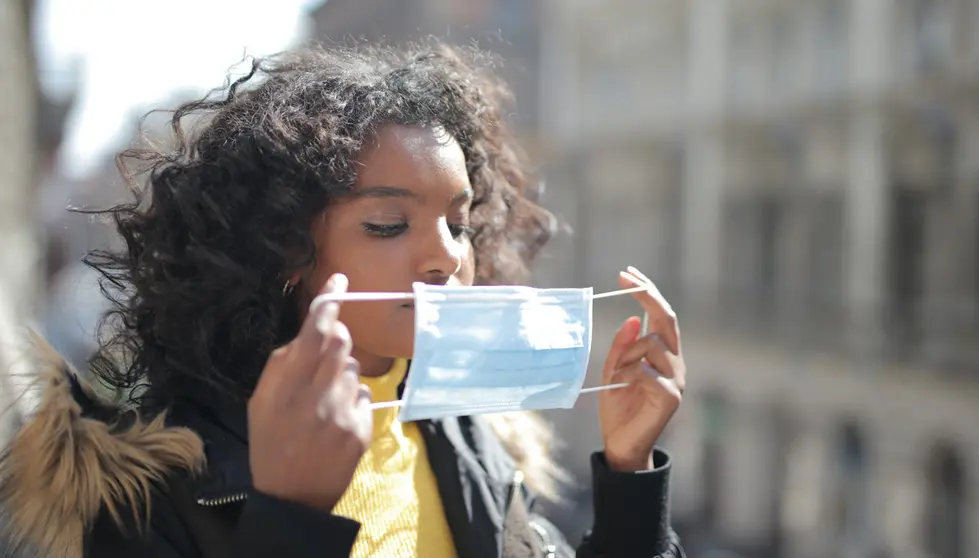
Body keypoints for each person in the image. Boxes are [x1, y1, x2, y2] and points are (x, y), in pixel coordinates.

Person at [0, 41, 687, 558]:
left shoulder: (472, 434)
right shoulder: (148, 484)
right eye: (389, 225)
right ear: (281, 250)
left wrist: (630, 478)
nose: (447, 254)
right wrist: (291, 516)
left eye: (459, 222)